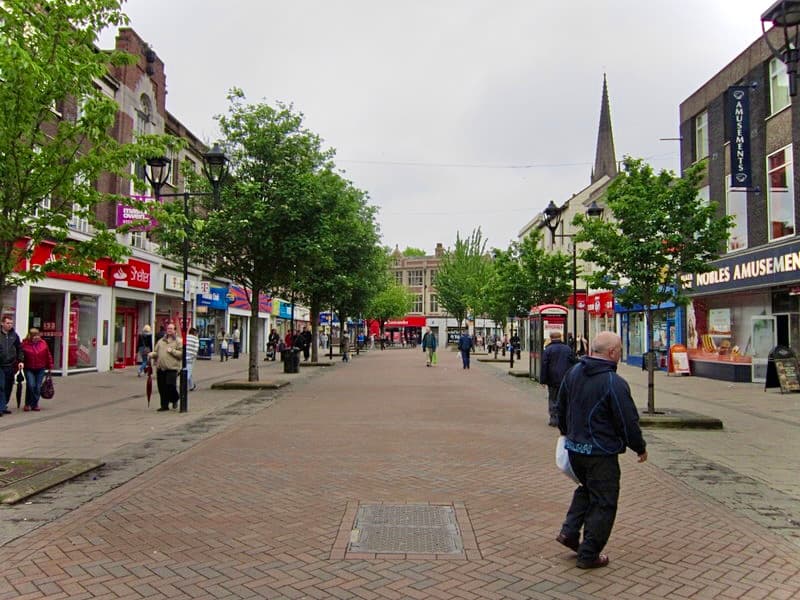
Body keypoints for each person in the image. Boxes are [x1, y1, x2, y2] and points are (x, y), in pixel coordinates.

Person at [556, 331, 648, 569]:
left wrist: (567, 434)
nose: (620, 354)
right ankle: (589, 554)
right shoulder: (613, 383)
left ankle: (569, 532)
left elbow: (561, 407)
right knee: (604, 501)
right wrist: (639, 447)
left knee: (586, 489)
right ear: (612, 353)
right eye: (619, 350)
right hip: (600, 452)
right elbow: (627, 420)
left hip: (575, 448)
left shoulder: (573, 373)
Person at [540, 331, 576, 427]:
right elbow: (574, 362)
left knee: (553, 398)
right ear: (561, 337)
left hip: (552, 379)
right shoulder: (567, 349)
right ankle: (564, 419)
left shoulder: (548, 350)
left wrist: (543, 380)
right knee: (565, 398)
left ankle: (554, 419)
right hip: (565, 378)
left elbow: (544, 365)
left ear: (551, 338)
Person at [149, 323, 183, 411]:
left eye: (171, 328)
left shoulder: (178, 341)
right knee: (162, 387)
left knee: (170, 386)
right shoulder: (161, 341)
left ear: (175, 330)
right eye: (168, 328)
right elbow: (156, 352)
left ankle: (175, 399)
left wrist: (172, 351)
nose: (169, 330)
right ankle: (164, 405)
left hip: (172, 368)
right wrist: (152, 354)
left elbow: (181, 354)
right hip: (161, 368)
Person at [20, 327, 53, 412]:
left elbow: (48, 355)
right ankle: (28, 403)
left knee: (37, 387)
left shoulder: (43, 343)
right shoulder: (24, 344)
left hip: (40, 368)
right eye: (34, 336)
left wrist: (50, 366)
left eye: (38, 336)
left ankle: (35, 404)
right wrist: (19, 364)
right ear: (30, 336)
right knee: (31, 385)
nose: (36, 338)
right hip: (29, 368)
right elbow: (20, 355)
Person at [0, 315, 23, 416]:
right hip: (0, 364)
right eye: (7, 323)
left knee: (8, 386)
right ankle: (0, 407)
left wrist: (21, 360)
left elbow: (19, 348)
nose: (9, 325)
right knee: (1, 386)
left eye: (11, 323)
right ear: (2, 323)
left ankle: (4, 405)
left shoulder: (14, 335)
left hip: (10, 365)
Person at [184, 327, 199, 391]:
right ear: (195, 333)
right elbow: (196, 349)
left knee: (187, 371)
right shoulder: (196, 339)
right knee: (188, 373)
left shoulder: (186, 337)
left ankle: (191, 386)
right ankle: (184, 386)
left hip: (184, 357)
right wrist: (193, 356)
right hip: (190, 358)